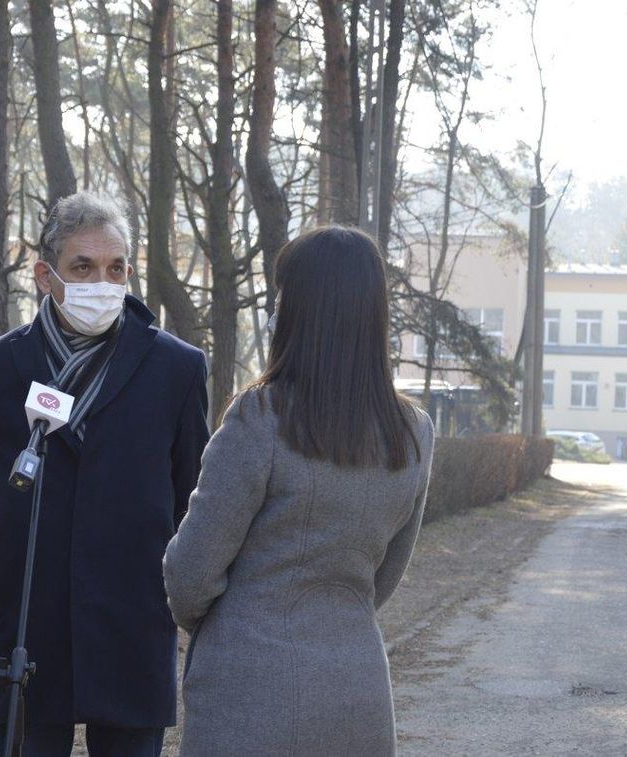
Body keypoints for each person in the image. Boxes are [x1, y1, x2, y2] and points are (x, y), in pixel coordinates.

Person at [164, 226, 436, 756]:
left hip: (248, 695)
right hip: (357, 693)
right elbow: (385, 579)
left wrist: (234, 620)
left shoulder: (258, 418)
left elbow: (190, 576)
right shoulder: (413, 433)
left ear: (299, 311)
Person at [0, 191, 210, 757]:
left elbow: (190, 494)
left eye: (115, 267)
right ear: (46, 276)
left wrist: (147, 566)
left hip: (133, 613)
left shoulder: (177, 368)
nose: (103, 281)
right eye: (83, 267)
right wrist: (30, 547)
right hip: (30, 614)